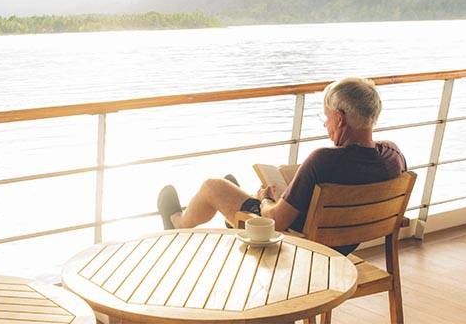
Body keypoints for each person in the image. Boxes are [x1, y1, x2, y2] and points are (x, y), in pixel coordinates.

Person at [157, 77, 407, 255]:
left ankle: (177, 224)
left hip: (302, 246)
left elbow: (277, 221)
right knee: (253, 196)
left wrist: (265, 201)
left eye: (326, 117)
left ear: (340, 118)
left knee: (213, 187)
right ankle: (232, 220)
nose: (325, 125)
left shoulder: (323, 160)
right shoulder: (394, 155)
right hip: (347, 241)